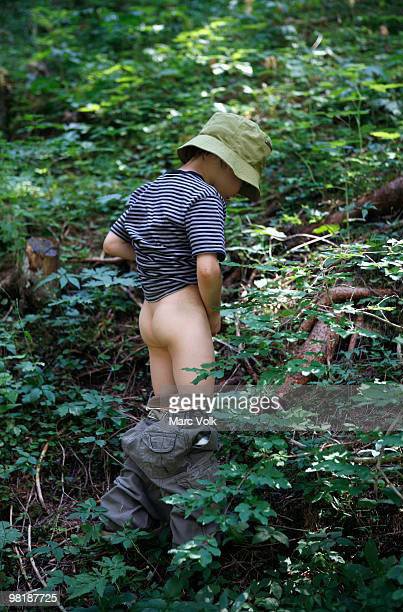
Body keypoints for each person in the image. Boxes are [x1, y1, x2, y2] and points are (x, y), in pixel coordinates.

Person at [98, 111, 272, 547]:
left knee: (164, 420)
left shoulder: (152, 188)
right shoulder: (207, 197)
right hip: (184, 314)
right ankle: (195, 547)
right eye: (240, 182)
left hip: (152, 316)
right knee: (193, 431)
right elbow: (208, 268)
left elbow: (113, 244)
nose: (237, 194)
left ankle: (125, 520)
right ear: (223, 163)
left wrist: (157, 257)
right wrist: (211, 314)